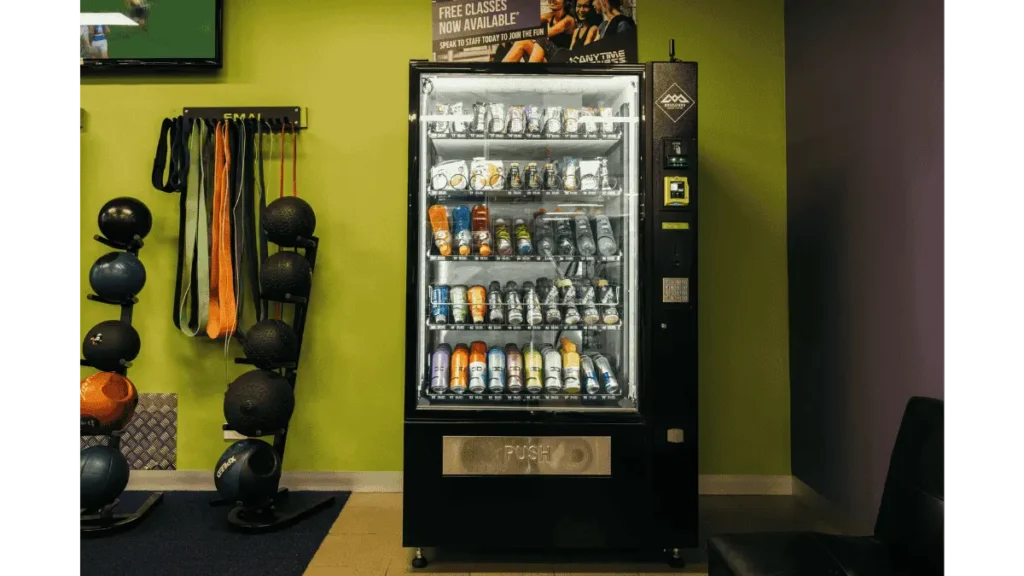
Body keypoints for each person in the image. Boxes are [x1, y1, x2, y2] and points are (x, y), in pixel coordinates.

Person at [501, 0, 576, 63]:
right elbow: (529, 23)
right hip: (548, 58)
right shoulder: (550, 16)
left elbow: (546, 33)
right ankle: (501, 72)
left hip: (560, 61)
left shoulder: (568, 20)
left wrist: (519, 33)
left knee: (542, 39)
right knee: (522, 41)